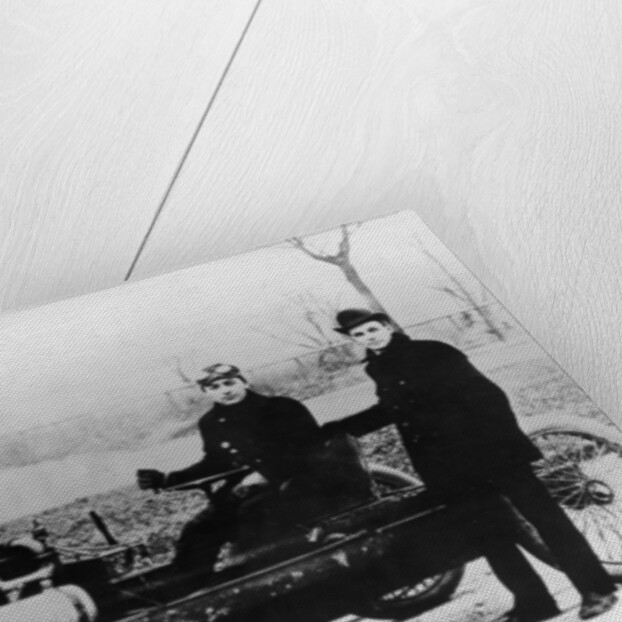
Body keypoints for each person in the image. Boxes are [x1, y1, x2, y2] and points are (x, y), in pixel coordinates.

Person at [325, 308, 618, 622]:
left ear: (386, 325)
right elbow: (392, 409)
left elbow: (488, 396)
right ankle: (535, 603)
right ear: (353, 340)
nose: (369, 337)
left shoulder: (433, 352)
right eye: (360, 335)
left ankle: (596, 588)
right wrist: (336, 429)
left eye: (373, 329)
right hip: (446, 467)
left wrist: (500, 443)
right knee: (488, 534)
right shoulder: (379, 368)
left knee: (546, 519)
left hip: (492, 452)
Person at [137, 363, 374, 571]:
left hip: (301, 481)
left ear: (244, 381)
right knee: (199, 529)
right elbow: (214, 461)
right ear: (206, 392)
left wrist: (265, 474)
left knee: (251, 517)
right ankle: (192, 590)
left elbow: (309, 448)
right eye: (214, 387)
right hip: (250, 488)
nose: (225, 390)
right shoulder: (211, 422)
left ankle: (268, 578)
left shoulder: (281, 407)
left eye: (229, 382)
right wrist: (169, 479)